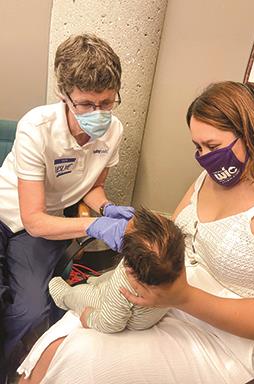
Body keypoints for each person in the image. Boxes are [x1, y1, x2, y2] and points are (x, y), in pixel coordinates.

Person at [18, 81, 254, 384]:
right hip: (165, 302)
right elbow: (175, 237)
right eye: (198, 147)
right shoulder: (207, 178)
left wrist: (182, 297)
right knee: (62, 339)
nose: (205, 157)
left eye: (213, 146)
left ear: (250, 133)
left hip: (225, 339)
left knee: (83, 351)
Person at [0, 33, 134, 381]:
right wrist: (92, 227)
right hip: (10, 215)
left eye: (107, 102)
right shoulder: (37, 127)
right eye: (87, 104)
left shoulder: (114, 130)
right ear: (64, 95)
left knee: (30, 311)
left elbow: (93, 186)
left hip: (43, 226)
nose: (99, 113)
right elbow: (32, 219)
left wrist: (107, 209)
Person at [48, 207, 184, 332]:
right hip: (144, 312)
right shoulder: (174, 266)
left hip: (117, 310)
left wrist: (90, 318)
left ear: (129, 268)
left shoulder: (123, 284)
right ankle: (94, 282)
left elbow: (110, 323)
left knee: (78, 294)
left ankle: (62, 294)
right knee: (106, 279)